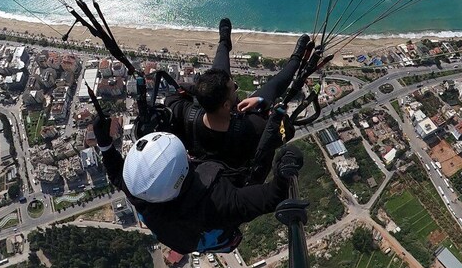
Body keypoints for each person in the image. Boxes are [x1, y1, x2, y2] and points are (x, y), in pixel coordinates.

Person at [94, 116, 304, 254]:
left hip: (178, 235)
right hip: (206, 232)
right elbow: (273, 196)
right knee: (250, 174)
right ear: (183, 174)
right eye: (185, 156)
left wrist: (104, 143)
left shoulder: (141, 191)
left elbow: (116, 173)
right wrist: (286, 163)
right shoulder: (217, 202)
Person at [165, 18, 309, 180]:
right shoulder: (254, 126)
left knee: (218, 73)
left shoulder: (185, 113)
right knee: (274, 86)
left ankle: (224, 41)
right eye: (233, 87)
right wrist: (263, 103)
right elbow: (286, 132)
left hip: (214, 124)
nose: (235, 85)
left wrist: (202, 91)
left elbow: (173, 94)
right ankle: (296, 58)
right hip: (239, 171)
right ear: (227, 105)